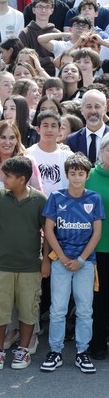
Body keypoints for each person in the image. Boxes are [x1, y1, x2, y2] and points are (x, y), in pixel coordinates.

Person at [0, 156, 47, 371]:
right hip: (0, 266)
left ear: (22, 179)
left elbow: (48, 232)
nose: (3, 179)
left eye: (8, 176)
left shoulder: (40, 200)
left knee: (28, 310)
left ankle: (23, 350)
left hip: (30, 266)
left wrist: (46, 262)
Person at [40, 153, 105, 374]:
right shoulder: (57, 197)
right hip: (60, 262)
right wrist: (62, 257)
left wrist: (80, 259)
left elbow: (96, 233)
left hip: (85, 263)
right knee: (57, 309)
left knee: (85, 309)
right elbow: (49, 230)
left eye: (80, 174)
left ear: (87, 175)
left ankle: (82, 352)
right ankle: (55, 351)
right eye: (72, 173)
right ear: (66, 175)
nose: (76, 178)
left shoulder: (94, 198)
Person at [87, 134, 109, 360]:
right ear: (101, 152)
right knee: (99, 300)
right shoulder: (89, 177)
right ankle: (98, 343)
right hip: (96, 248)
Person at [66, 89, 109, 164]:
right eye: (89, 107)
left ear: (105, 109)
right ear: (82, 110)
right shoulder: (72, 140)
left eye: (97, 106)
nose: (93, 111)